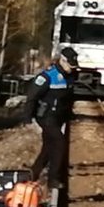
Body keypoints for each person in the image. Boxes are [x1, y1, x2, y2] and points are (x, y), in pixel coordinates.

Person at [24, 46, 79, 190]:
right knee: (60, 143)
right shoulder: (47, 76)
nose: (71, 69)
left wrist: (70, 115)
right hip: (46, 117)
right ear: (62, 60)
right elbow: (32, 97)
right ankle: (53, 179)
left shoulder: (70, 77)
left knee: (48, 147)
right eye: (70, 65)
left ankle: (33, 173)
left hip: (58, 117)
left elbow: (67, 99)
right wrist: (28, 119)